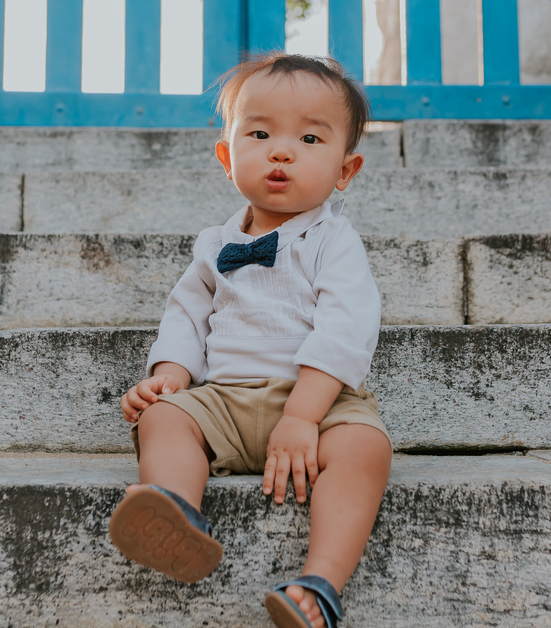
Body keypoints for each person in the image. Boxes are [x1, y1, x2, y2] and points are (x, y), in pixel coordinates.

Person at [109, 52, 392, 628]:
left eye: (311, 138)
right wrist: (169, 376)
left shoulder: (334, 241)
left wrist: (302, 416)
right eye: (259, 133)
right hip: (225, 400)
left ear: (346, 170)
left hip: (322, 404)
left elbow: (346, 328)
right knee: (163, 418)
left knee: (366, 450)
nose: (282, 150)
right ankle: (175, 512)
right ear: (227, 156)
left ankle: (318, 585)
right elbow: (186, 315)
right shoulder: (214, 244)